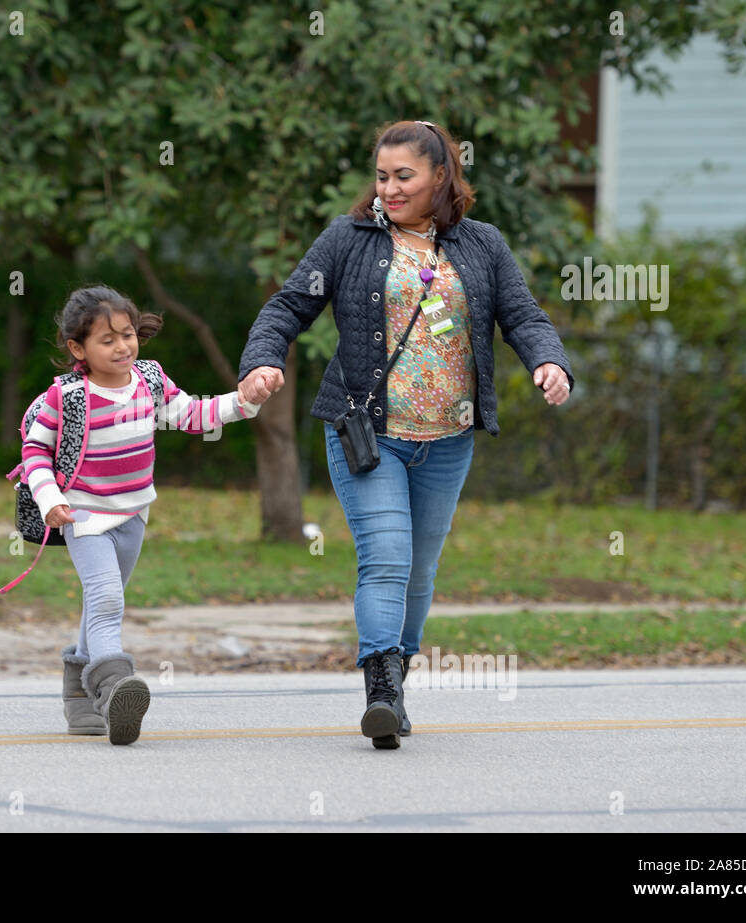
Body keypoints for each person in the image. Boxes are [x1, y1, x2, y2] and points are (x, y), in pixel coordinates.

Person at [236, 120, 575, 750]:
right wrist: (264, 360)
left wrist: (548, 362)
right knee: (386, 561)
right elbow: (287, 306)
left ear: (440, 176)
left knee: (420, 574)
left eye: (404, 177)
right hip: (369, 434)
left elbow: (523, 315)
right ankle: (382, 693)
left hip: (448, 439)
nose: (388, 189)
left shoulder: (482, 245)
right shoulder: (349, 238)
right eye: (382, 176)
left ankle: (399, 675)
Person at [24, 284, 268, 745]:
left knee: (99, 603)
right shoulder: (68, 397)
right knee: (107, 600)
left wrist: (245, 399)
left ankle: (78, 702)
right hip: (84, 517)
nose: (122, 346)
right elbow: (36, 447)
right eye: (107, 339)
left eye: (127, 334)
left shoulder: (149, 380)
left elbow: (194, 415)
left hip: (134, 514)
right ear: (79, 348)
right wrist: (48, 496)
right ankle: (115, 686)